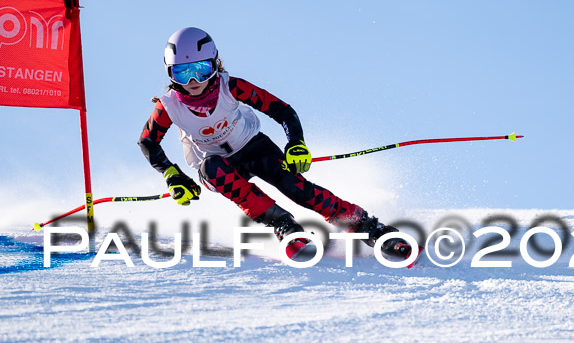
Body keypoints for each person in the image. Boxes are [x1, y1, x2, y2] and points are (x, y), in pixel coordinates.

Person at [138, 27, 410, 259]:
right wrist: (172, 175)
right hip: (215, 167)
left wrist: (296, 143)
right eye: (183, 73)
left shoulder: (230, 87)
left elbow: (282, 110)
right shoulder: (169, 106)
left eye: (201, 68)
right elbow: (148, 141)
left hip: (254, 147)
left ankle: (371, 229)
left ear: (215, 64)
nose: (194, 81)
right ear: (170, 74)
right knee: (213, 168)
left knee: (294, 186)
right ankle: (284, 225)